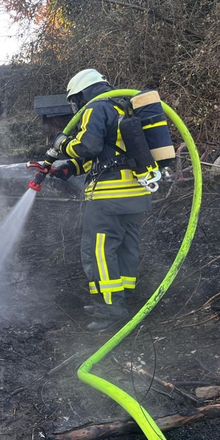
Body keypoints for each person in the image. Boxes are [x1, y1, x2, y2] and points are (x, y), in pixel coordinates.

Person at [49, 69, 154, 331]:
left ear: (83, 94)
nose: (76, 107)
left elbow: (88, 147)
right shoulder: (123, 108)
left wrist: (62, 143)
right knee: (125, 248)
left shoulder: (95, 109)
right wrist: (71, 169)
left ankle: (110, 310)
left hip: (109, 198)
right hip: (135, 193)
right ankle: (121, 299)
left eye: (75, 101)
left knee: (99, 253)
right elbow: (107, 156)